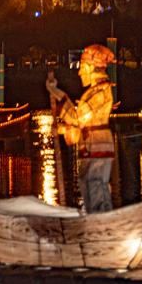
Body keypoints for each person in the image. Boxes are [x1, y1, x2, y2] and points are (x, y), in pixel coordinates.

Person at [45, 44, 115, 213]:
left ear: (92, 68)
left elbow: (78, 119)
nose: (79, 72)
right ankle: (94, 219)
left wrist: (56, 93)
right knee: (87, 183)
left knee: (95, 184)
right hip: (91, 146)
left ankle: (103, 220)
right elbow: (80, 125)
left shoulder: (100, 93)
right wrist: (62, 129)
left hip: (98, 146)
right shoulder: (93, 92)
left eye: (82, 67)